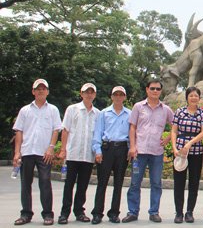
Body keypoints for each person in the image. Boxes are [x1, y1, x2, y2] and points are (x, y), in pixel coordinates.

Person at [122, 80, 174, 223]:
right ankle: (132, 212)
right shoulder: (138, 107)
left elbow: (175, 125)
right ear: (147, 90)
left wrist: (168, 138)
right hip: (140, 152)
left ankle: (154, 212)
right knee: (134, 183)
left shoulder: (166, 109)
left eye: (158, 89)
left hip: (157, 152)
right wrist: (132, 147)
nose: (155, 91)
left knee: (156, 183)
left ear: (161, 91)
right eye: (152, 88)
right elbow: (132, 127)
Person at [13, 79, 62, 226]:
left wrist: (51, 147)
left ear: (47, 91)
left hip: (44, 153)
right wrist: (17, 152)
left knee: (45, 182)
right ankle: (26, 214)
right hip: (27, 151)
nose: (41, 91)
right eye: (38, 89)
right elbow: (19, 131)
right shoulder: (25, 110)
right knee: (25, 183)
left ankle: (48, 214)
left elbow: (56, 130)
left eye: (43, 88)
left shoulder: (53, 109)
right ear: (33, 91)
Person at [58, 83, 99, 224]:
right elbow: (65, 130)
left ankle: (79, 211)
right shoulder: (72, 109)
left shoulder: (97, 113)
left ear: (95, 95)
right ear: (81, 94)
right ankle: (64, 213)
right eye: (86, 92)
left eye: (91, 92)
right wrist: (63, 149)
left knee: (83, 185)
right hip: (73, 154)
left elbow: (97, 135)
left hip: (88, 155)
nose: (89, 94)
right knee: (68, 185)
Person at [90, 86, 131, 224]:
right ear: (111, 96)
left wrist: (131, 150)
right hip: (107, 149)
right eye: (116, 94)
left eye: (121, 94)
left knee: (118, 183)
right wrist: (98, 150)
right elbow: (98, 132)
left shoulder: (129, 114)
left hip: (122, 149)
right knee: (102, 182)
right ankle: (97, 213)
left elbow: (132, 134)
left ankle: (114, 213)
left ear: (124, 97)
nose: (118, 97)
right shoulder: (104, 113)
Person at [171, 86, 203, 223]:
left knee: (194, 182)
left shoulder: (202, 114)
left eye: (196, 96)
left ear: (199, 98)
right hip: (180, 152)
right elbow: (174, 131)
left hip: (196, 151)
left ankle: (189, 212)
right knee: (179, 183)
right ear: (187, 97)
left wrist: (190, 143)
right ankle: (179, 212)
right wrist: (174, 148)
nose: (194, 98)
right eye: (191, 95)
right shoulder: (179, 112)